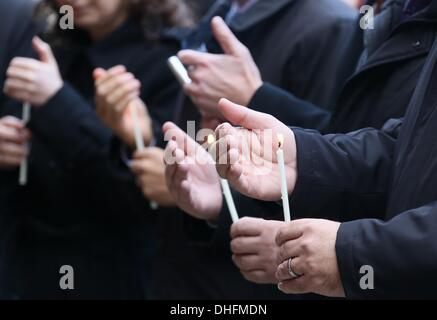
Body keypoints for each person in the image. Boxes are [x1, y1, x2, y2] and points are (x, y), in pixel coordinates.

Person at [99, 0, 356, 299]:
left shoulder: (329, 23)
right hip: (181, 274)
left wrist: (254, 97)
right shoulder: (219, 13)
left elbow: (334, 168)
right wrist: (147, 139)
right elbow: (201, 135)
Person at [205, 37, 437, 298]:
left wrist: (351, 252)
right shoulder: (383, 20)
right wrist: (304, 160)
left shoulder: (331, 24)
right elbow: (410, 152)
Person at [1, 0, 189, 299]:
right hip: (31, 268)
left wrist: (58, 101)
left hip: (115, 274)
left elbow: (147, 193)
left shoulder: (170, 58)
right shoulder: (51, 46)